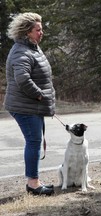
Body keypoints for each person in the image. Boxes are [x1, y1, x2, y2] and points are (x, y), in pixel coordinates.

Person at [4, 12, 55, 195]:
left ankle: (34, 181)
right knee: (33, 141)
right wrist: (40, 95)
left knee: (35, 141)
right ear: (27, 32)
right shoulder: (21, 51)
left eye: (42, 29)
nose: (41, 33)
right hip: (25, 106)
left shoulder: (32, 47)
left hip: (32, 105)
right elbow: (23, 79)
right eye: (38, 30)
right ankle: (33, 185)